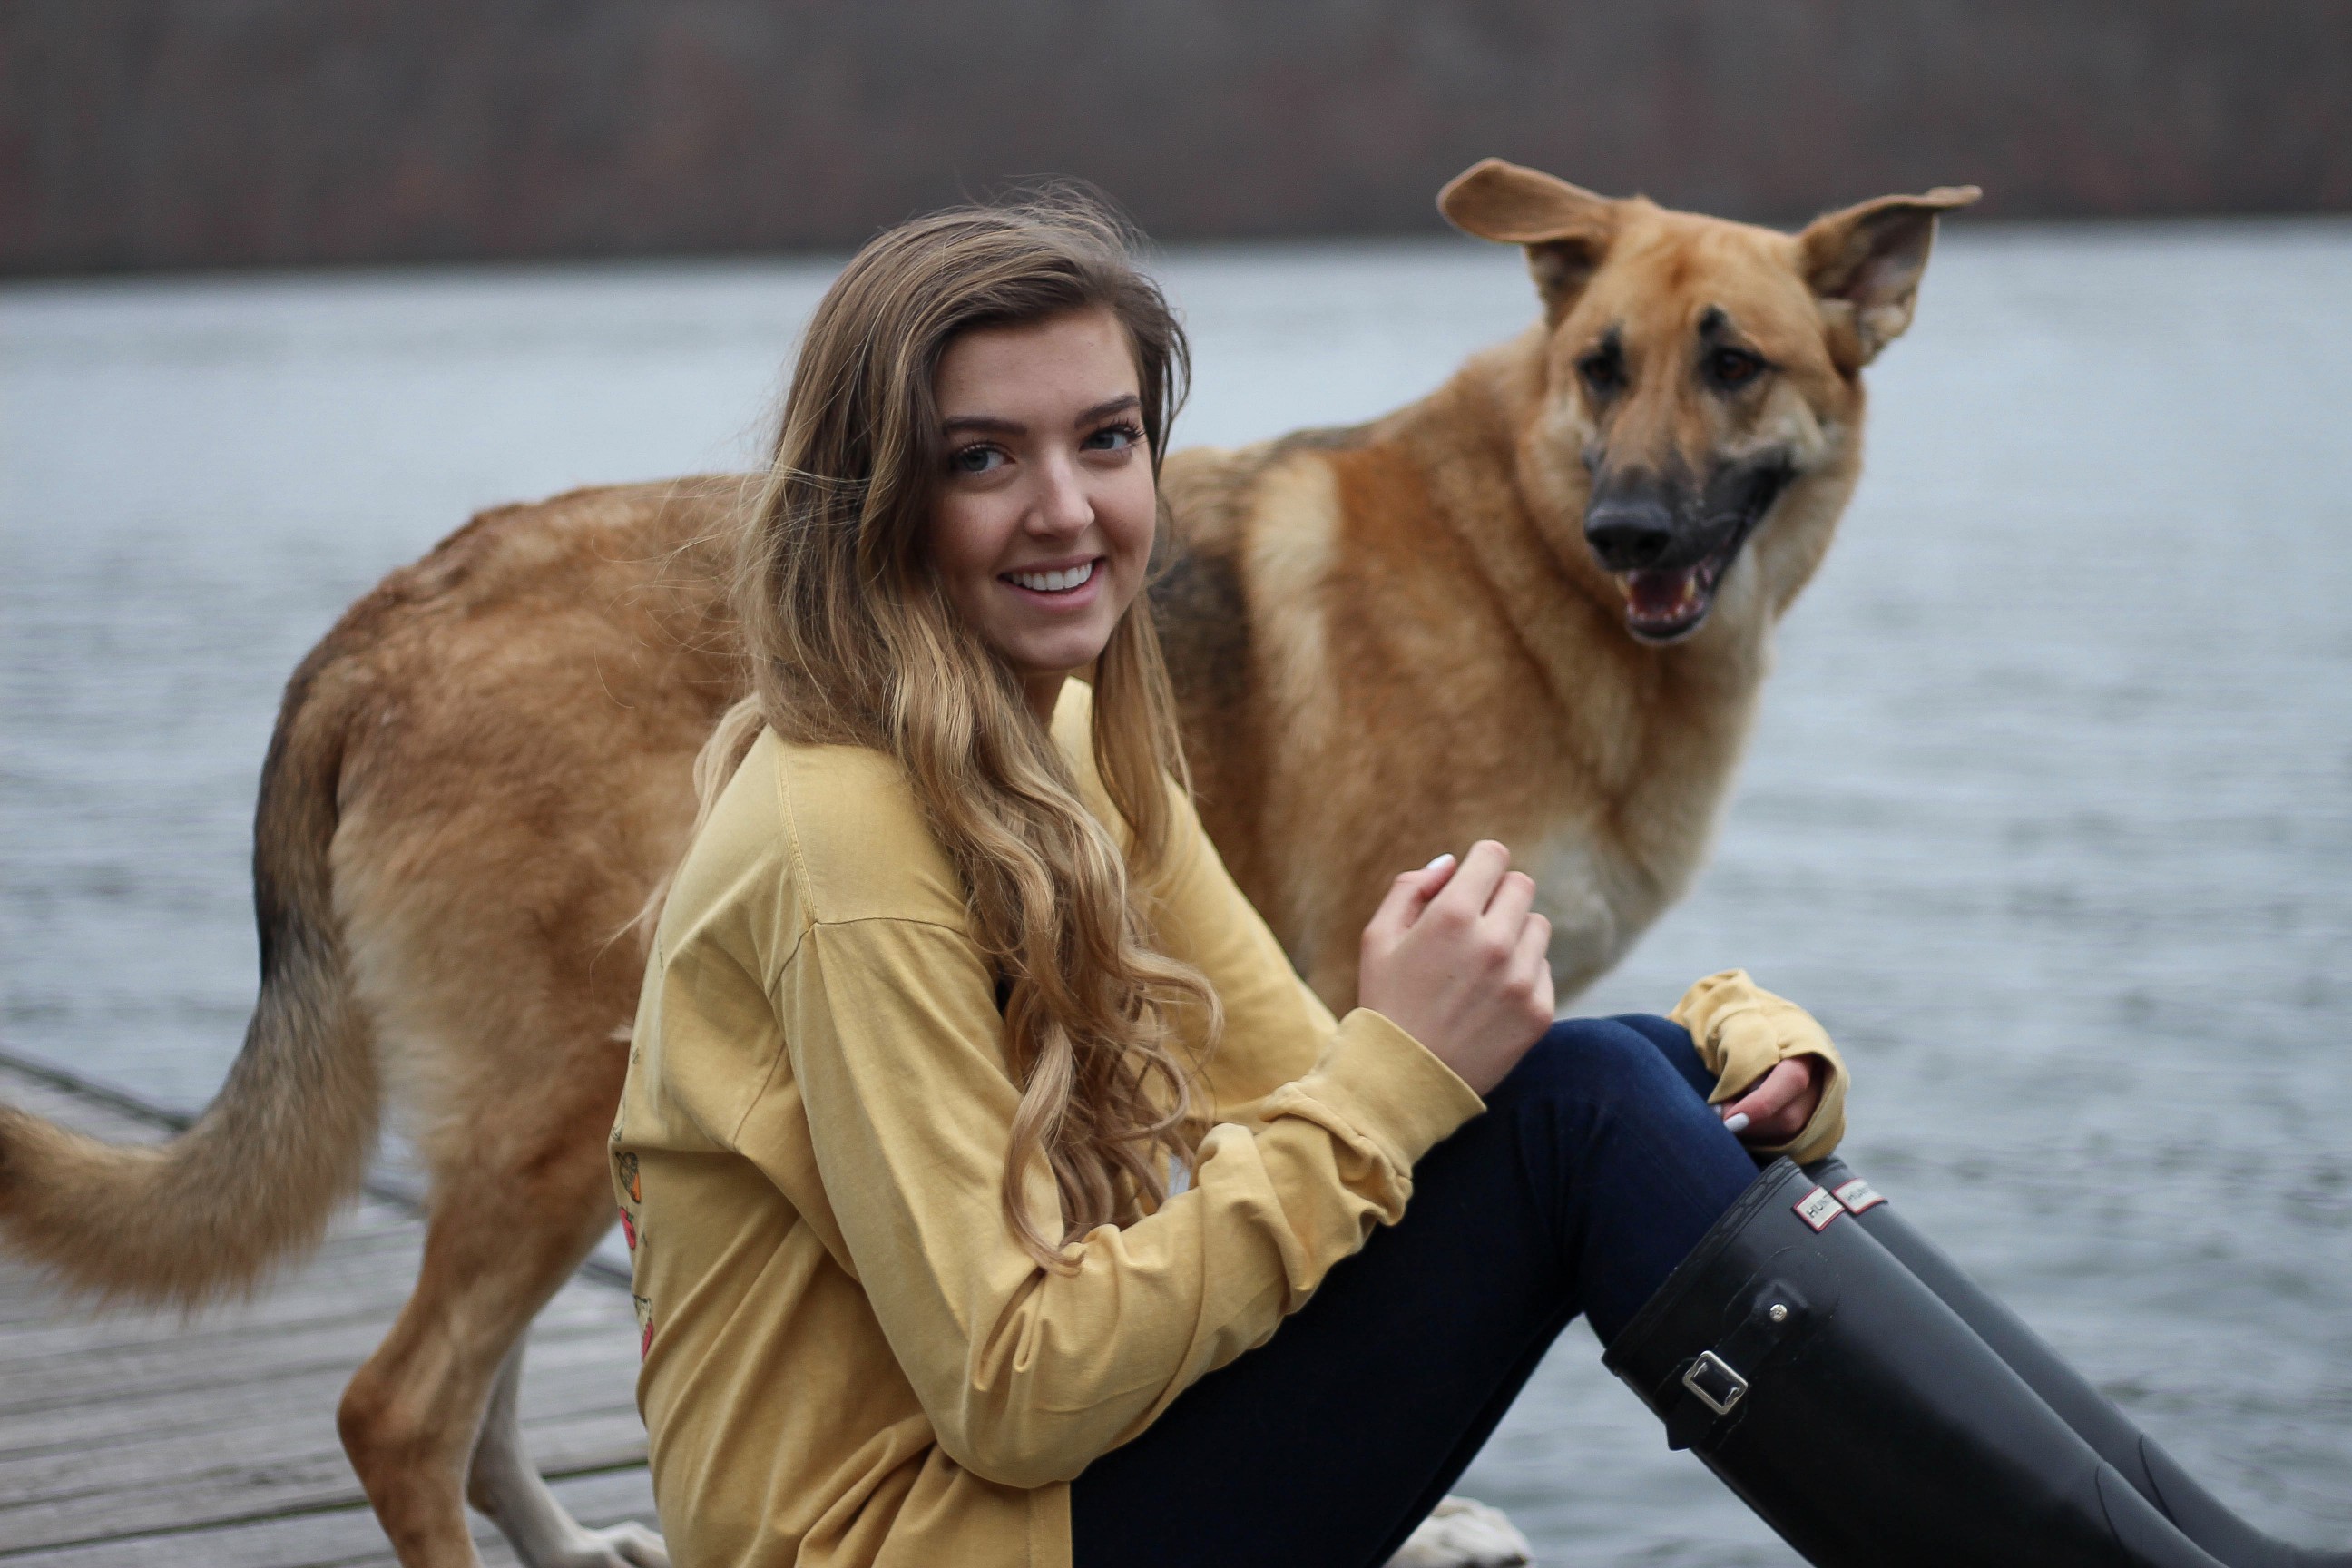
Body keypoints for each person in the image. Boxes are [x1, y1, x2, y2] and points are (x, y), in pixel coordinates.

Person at [607, 193, 2343, 1568]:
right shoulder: (844, 829)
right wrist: (1406, 1071)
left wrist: (1722, 1044)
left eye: (1110, 440)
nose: (1067, 508)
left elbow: (1314, 1096)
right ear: (870, 491)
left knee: (1617, 1082)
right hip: (917, 1541)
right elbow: (1012, 1390)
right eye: (983, 456)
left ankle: (2207, 1548)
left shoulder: (1067, 736)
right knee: (1576, 1113)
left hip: (1046, 1506)